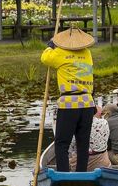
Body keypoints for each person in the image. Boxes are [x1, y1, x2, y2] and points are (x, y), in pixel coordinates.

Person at [41, 28, 96, 172]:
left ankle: (63, 175)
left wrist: (50, 46)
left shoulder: (61, 53)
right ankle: (81, 175)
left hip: (69, 103)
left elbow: (45, 58)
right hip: (87, 102)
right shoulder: (87, 53)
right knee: (83, 144)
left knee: (61, 143)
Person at [68, 106, 111, 171]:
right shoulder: (104, 122)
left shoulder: (76, 124)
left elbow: (70, 148)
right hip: (103, 164)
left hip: (81, 165)